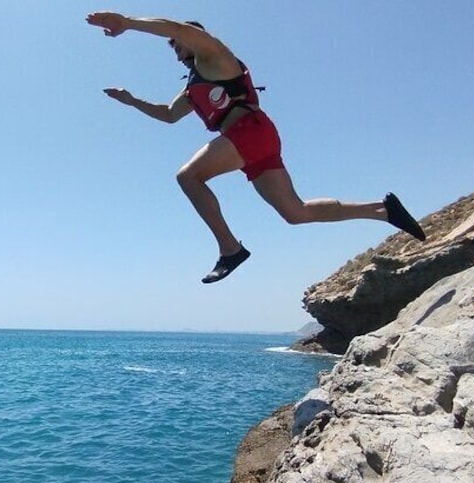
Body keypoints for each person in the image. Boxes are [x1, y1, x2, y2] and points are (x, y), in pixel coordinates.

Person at [86, 12, 426, 284]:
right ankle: (381, 210)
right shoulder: (193, 87)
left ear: (193, 38)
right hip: (256, 139)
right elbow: (168, 115)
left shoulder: (214, 55)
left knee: (188, 177)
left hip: (249, 131)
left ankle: (229, 249)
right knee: (296, 212)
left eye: (177, 45)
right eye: (172, 48)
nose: (175, 51)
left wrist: (127, 23)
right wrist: (131, 101)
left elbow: (174, 27)